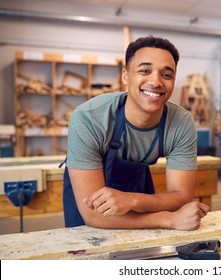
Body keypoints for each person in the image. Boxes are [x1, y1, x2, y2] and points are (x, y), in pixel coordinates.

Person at [62, 36, 209, 230]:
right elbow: (93, 215)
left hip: (137, 188)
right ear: (125, 76)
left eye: (166, 75)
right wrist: (169, 220)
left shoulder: (181, 123)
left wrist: (131, 200)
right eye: (145, 71)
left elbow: (181, 196)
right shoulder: (89, 119)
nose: (155, 82)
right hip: (89, 196)